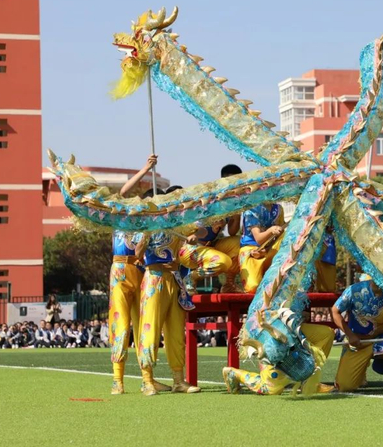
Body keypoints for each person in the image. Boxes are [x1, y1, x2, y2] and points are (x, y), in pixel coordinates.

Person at [108, 155, 170, 394]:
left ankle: (147, 380)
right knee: (121, 324)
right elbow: (123, 191)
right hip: (120, 272)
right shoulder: (121, 216)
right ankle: (118, 380)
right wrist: (145, 168)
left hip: (142, 272)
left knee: (144, 326)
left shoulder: (149, 224)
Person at [136, 213, 200, 396]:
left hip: (175, 279)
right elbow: (137, 254)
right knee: (150, 328)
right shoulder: (146, 224)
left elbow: (199, 231)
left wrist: (192, 238)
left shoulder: (179, 224)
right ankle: (147, 380)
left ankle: (178, 380)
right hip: (154, 279)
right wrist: (146, 234)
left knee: (176, 331)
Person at [222, 318, 335, 396]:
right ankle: (233, 373)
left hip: (291, 328)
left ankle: (309, 382)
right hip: (269, 338)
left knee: (325, 334)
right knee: (271, 389)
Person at [179, 164, 243, 294]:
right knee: (223, 262)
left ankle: (229, 283)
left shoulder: (232, 203)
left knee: (240, 244)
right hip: (191, 249)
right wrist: (205, 231)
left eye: (238, 182)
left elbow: (232, 232)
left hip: (210, 247)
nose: (235, 186)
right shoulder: (210, 200)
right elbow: (195, 229)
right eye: (231, 182)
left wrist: (237, 214)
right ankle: (192, 277)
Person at [238, 203, 285, 294]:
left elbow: (280, 235)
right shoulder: (251, 209)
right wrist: (271, 230)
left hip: (270, 250)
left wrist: (268, 249)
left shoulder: (278, 209)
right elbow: (259, 239)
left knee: (286, 236)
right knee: (252, 287)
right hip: (251, 251)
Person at [314, 227, 337, 293]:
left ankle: (326, 288)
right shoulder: (322, 236)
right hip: (323, 254)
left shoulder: (329, 237)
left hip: (328, 256)